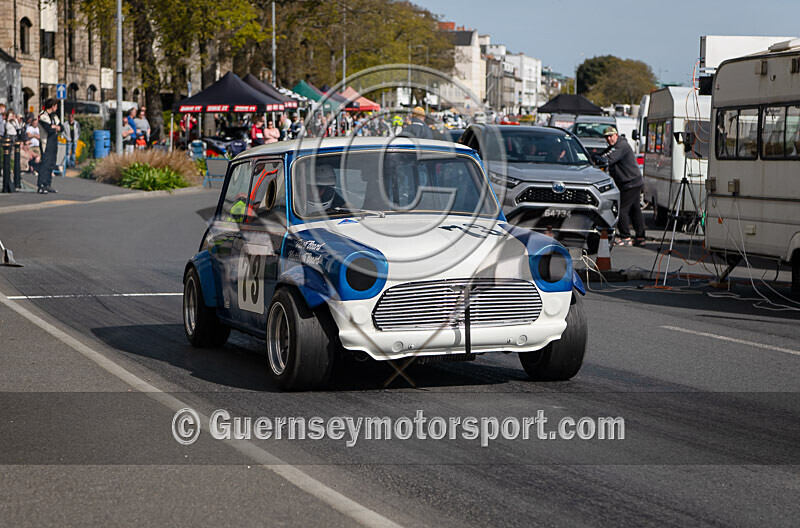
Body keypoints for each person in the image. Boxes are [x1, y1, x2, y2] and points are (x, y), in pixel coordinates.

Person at [597, 126, 645, 246]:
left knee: (622, 210)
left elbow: (608, 159)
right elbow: (603, 155)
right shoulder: (614, 147)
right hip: (632, 182)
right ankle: (640, 237)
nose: (609, 139)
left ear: (616, 135)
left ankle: (626, 237)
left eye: (610, 136)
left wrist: (598, 159)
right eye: (606, 137)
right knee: (635, 210)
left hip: (630, 183)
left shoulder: (621, 146)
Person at [37, 98, 62, 194]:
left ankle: (48, 184)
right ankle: (41, 185)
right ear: (52, 106)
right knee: (45, 164)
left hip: (54, 142)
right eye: (56, 106)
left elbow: (61, 127)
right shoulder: (42, 116)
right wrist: (55, 127)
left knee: (51, 164)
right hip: (46, 143)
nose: (57, 108)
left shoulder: (54, 117)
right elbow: (48, 129)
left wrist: (55, 127)